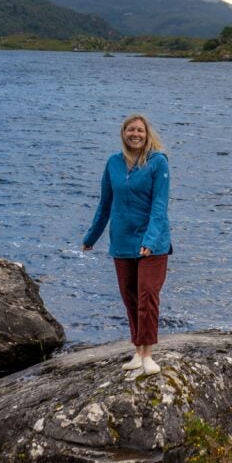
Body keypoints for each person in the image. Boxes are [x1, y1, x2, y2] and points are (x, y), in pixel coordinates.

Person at [83, 114, 171, 376]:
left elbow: (159, 206)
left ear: (147, 134)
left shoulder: (158, 162)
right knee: (130, 297)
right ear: (123, 133)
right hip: (121, 241)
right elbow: (105, 204)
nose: (135, 134)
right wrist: (91, 237)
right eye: (131, 130)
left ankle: (148, 355)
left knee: (147, 295)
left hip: (153, 243)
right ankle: (137, 351)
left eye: (140, 130)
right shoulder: (113, 163)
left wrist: (151, 240)